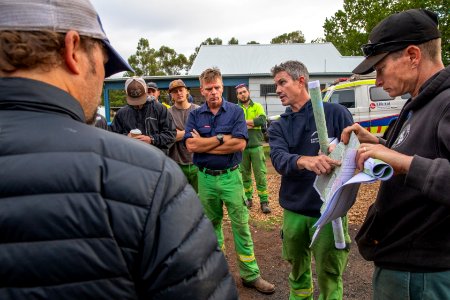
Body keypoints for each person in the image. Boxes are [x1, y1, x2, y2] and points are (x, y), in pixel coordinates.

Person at [0, 0, 238, 299]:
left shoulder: (157, 130)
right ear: (73, 50)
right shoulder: (149, 180)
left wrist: (154, 141)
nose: (101, 78)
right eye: (103, 63)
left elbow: (170, 134)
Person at [341, 9, 450, 300]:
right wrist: (378, 142)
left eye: (380, 68)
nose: (377, 81)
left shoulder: (446, 102)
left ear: (413, 55)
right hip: (403, 268)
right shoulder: (417, 103)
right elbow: (421, 148)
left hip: (422, 279)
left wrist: (397, 161)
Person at [184, 67, 275, 295]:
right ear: (202, 91)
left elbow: (240, 145)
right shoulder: (195, 115)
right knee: (211, 226)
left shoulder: (235, 112)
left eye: (217, 87)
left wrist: (206, 144)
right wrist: (221, 140)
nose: (213, 92)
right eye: (209, 89)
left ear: (222, 87)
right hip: (205, 179)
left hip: (231, 178)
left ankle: (250, 275)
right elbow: (191, 146)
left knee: (241, 226)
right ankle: (217, 273)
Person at [268, 60, 354, 300]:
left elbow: (354, 152)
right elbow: (278, 158)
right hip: (294, 210)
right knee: (297, 272)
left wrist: (337, 153)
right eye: (276, 84)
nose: (277, 89)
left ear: (301, 81)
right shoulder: (280, 125)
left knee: (329, 274)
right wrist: (306, 161)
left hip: (329, 211)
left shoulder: (335, 114)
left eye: (282, 82)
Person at [111, 77, 176, 155]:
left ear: (145, 91)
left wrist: (152, 139)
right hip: (131, 160)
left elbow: (171, 135)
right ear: (126, 93)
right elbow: (112, 138)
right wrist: (126, 138)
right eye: (134, 100)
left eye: (140, 99)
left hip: (156, 160)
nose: (138, 104)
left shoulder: (160, 109)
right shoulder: (121, 113)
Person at [235, 83, 271, 213]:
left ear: (248, 92)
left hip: (256, 146)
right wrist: (252, 123)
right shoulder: (235, 109)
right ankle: (248, 198)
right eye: (240, 93)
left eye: (244, 91)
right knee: (244, 174)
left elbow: (262, 121)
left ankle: (264, 201)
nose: (242, 94)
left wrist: (243, 123)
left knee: (260, 174)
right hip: (241, 147)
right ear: (237, 95)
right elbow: (234, 125)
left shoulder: (257, 106)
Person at [168, 79, 200, 192]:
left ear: (187, 91)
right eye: (175, 91)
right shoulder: (168, 113)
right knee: (180, 197)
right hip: (177, 163)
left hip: (197, 162)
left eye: (181, 90)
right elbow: (169, 137)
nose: (179, 93)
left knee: (200, 198)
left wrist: (179, 132)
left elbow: (203, 135)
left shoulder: (198, 110)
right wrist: (190, 131)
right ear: (171, 95)